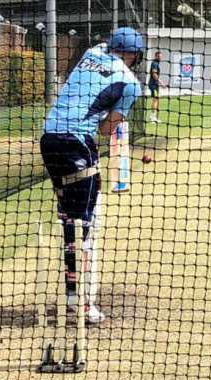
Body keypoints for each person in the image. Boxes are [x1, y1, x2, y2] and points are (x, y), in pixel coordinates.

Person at [40, 26, 144, 324]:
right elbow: (105, 129)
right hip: (76, 142)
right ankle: (80, 301)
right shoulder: (130, 84)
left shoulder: (91, 53)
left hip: (49, 139)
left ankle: (75, 289)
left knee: (74, 211)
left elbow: (102, 46)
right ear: (136, 55)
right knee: (83, 225)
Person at [148, 51, 167, 123]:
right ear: (155, 56)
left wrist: (159, 84)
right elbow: (154, 75)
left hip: (155, 85)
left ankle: (154, 117)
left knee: (156, 99)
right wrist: (161, 83)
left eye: (161, 57)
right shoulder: (155, 63)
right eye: (159, 56)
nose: (160, 58)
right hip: (153, 85)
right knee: (155, 99)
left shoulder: (156, 63)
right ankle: (152, 117)